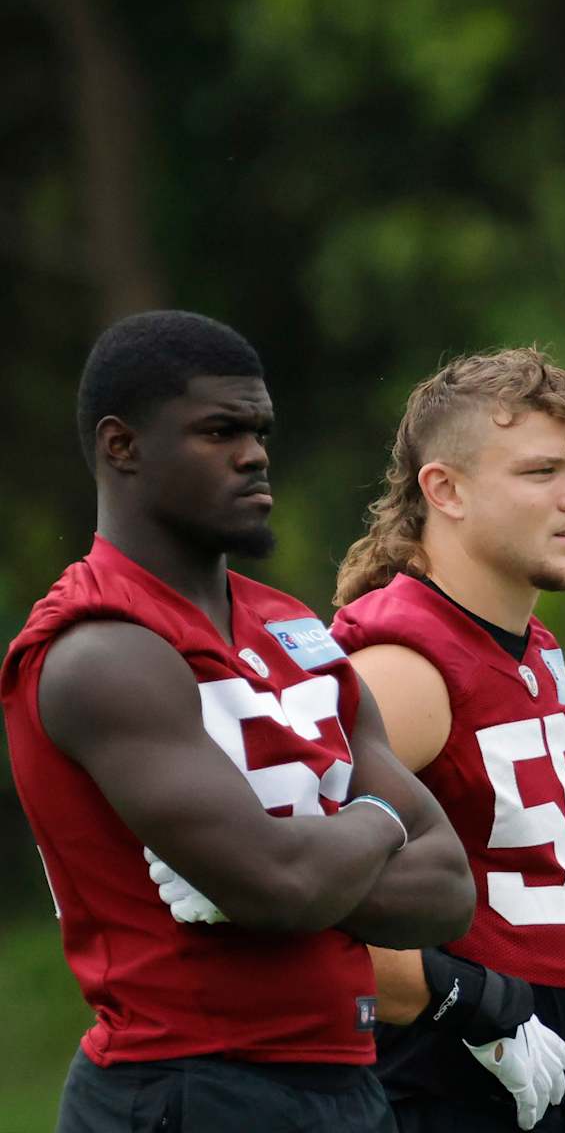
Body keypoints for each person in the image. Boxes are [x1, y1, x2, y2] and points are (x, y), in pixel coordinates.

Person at [1, 311, 476, 1133]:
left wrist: (300, 857)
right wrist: (371, 824)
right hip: (186, 1085)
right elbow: (279, 886)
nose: (254, 454)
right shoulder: (99, 648)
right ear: (123, 446)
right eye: (219, 430)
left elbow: (447, 887)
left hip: (347, 1079)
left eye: (259, 430)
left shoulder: (294, 629)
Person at [330, 348, 565, 1133]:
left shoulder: (528, 641)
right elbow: (285, 893)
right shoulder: (404, 668)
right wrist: (465, 999)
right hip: (444, 1090)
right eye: (542, 473)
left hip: (545, 1081)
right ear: (446, 489)